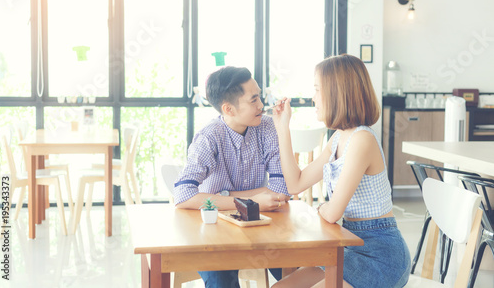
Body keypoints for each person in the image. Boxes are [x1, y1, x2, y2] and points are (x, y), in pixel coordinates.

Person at [270, 54, 411, 288]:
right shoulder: (337, 138)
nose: (313, 98)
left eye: (317, 90)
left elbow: (333, 212)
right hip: (349, 245)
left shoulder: (362, 139)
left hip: (381, 254)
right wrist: (282, 128)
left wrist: (324, 208)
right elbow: (295, 184)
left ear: (337, 93)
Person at [174, 66, 290, 288]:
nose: (261, 105)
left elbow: (281, 191)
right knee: (222, 282)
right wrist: (253, 201)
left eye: (260, 97)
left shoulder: (267, 127)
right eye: (253, 100)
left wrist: (225, 196)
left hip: (260, 227)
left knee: (295, 270)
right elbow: (182, 196)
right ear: (228, 109)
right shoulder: (209, 137)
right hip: (214, 231)